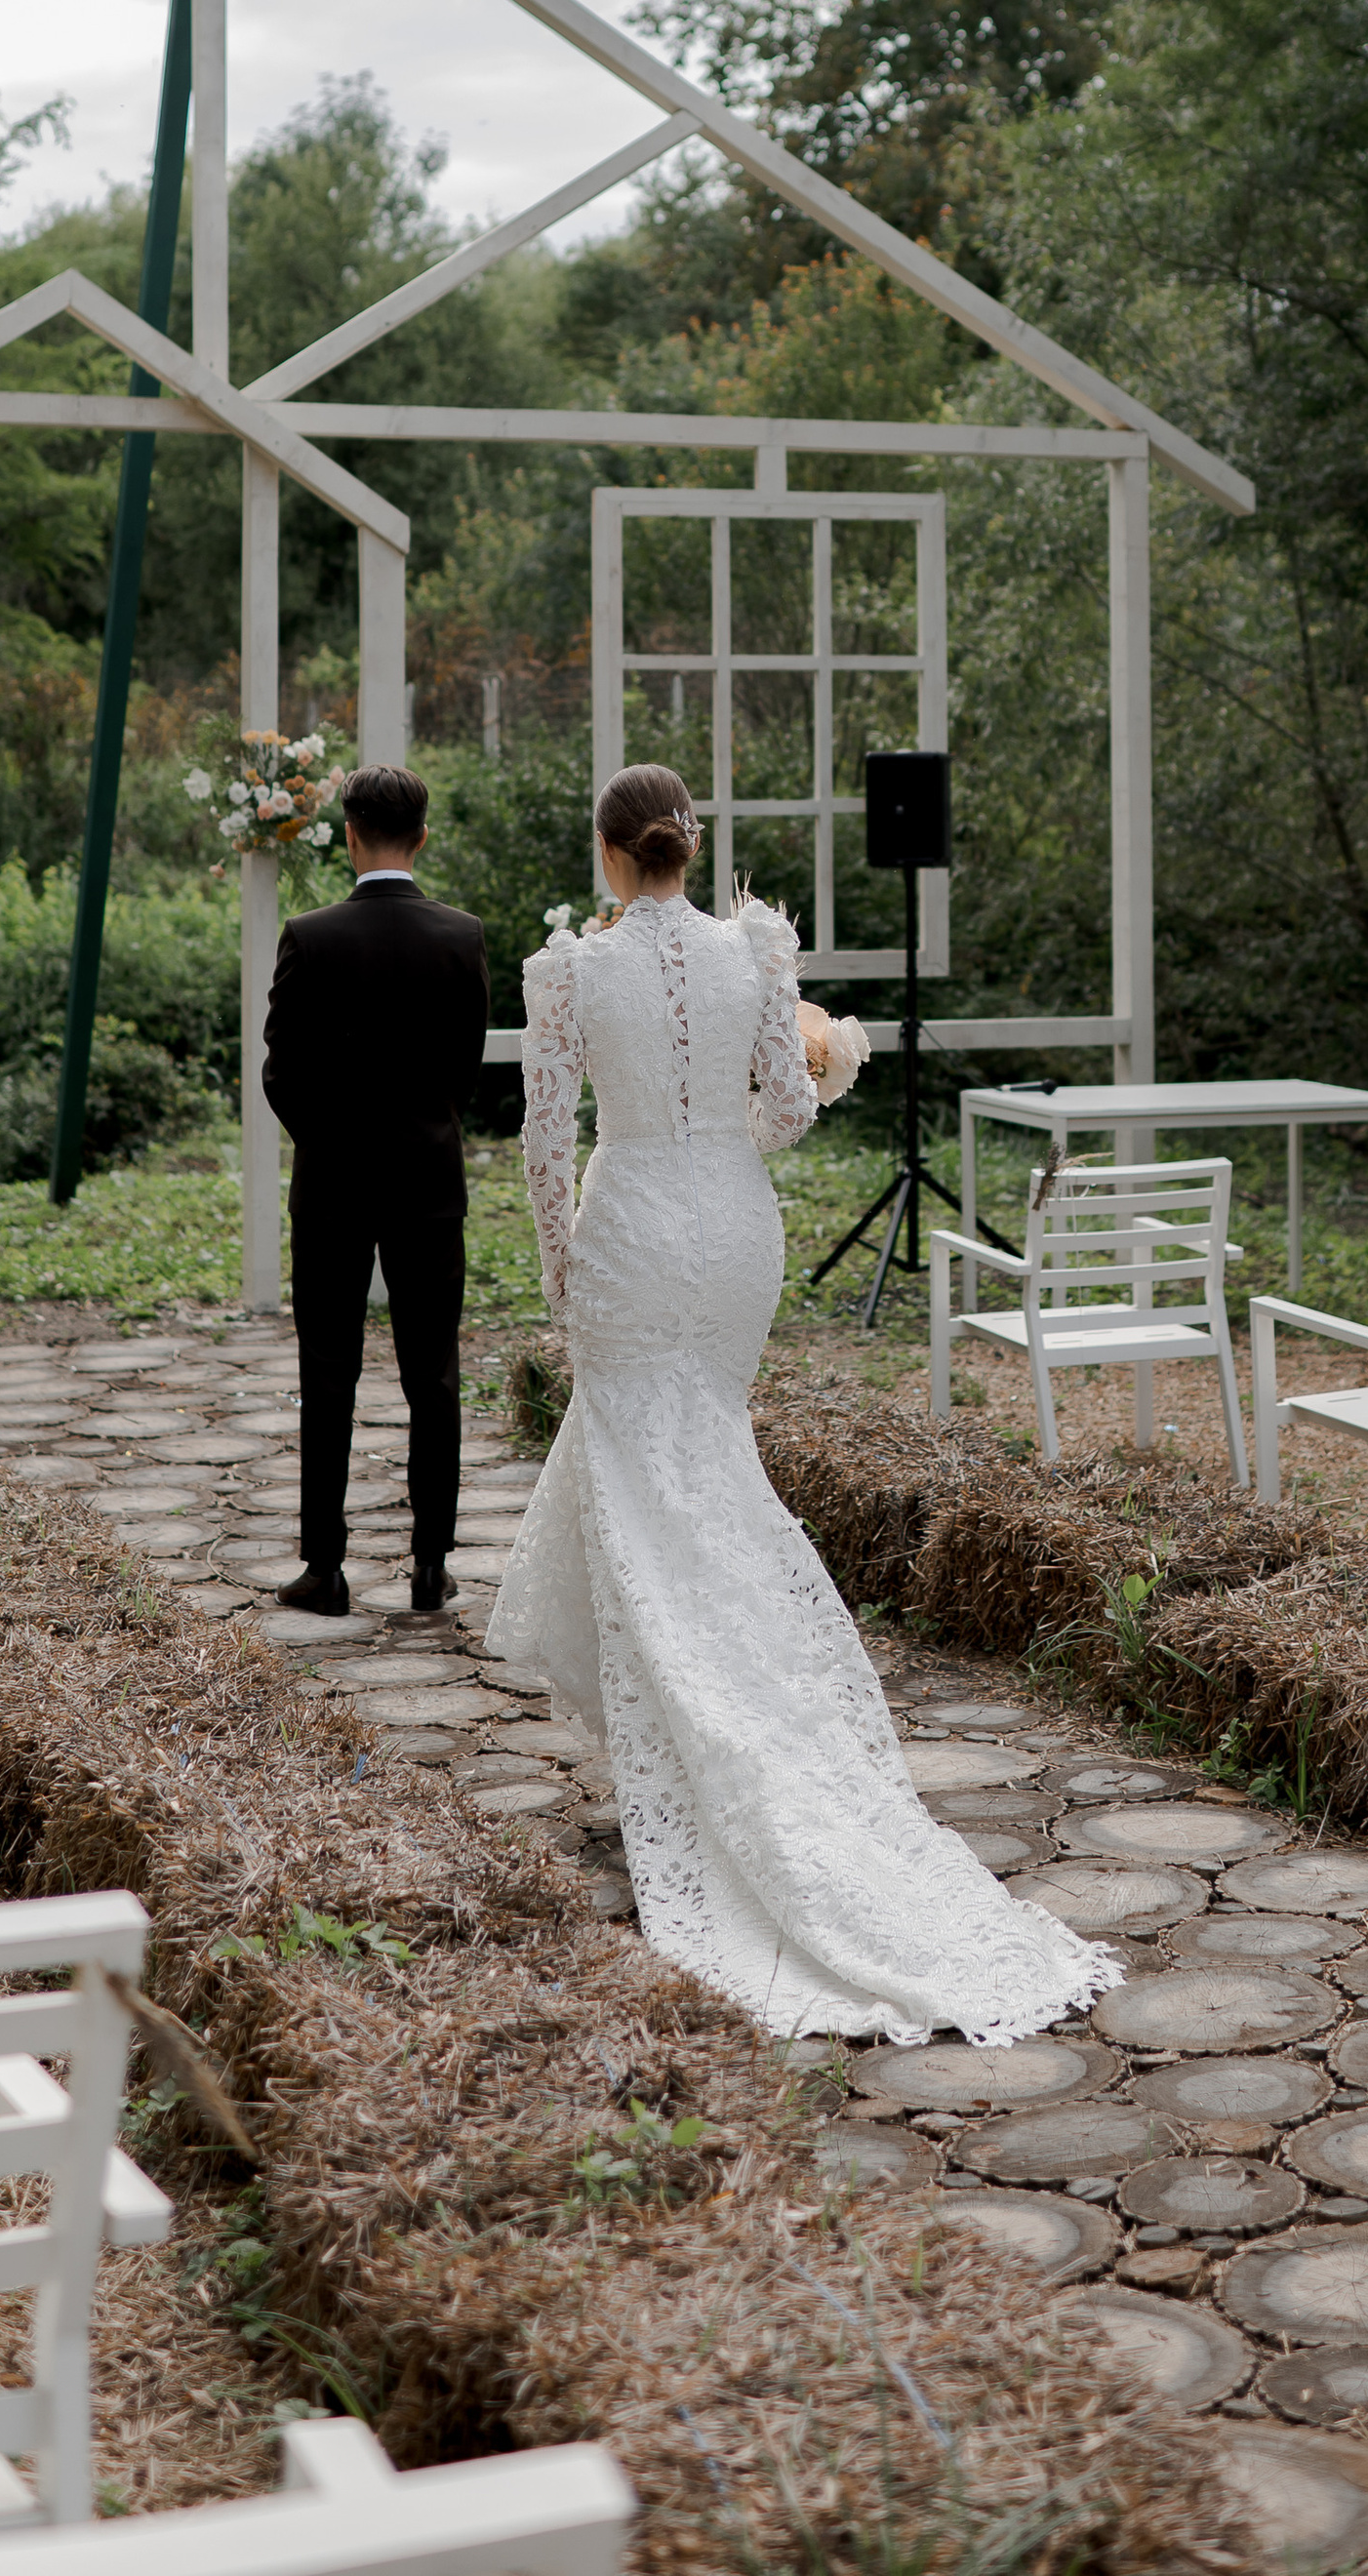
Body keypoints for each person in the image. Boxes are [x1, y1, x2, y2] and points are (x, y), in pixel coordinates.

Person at [484, 762, 1114, 2045]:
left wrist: (563, 1271)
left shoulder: (567, 973)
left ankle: (709, 1732)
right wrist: (795, 1085)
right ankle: (697, 1717)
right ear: (688, 844)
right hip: (735, 1234)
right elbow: (784, 1107)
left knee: (651, 1479)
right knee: (698, 1468)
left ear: (609, 854)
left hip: (631, 1233)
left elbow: (545, 1148)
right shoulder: (757, 950)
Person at [262, 761, 490, 1618]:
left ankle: (324, 1568)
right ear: (421, 837)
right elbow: (464, 1066)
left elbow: (281, 1069)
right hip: (428, 1178)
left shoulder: (309, 935)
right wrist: (424, 1127)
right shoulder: (460, 935)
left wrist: (327, 1141)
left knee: (328, 1372)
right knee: (432, 1374)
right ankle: (431, 1565)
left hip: (332, 1183)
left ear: (348, 836)